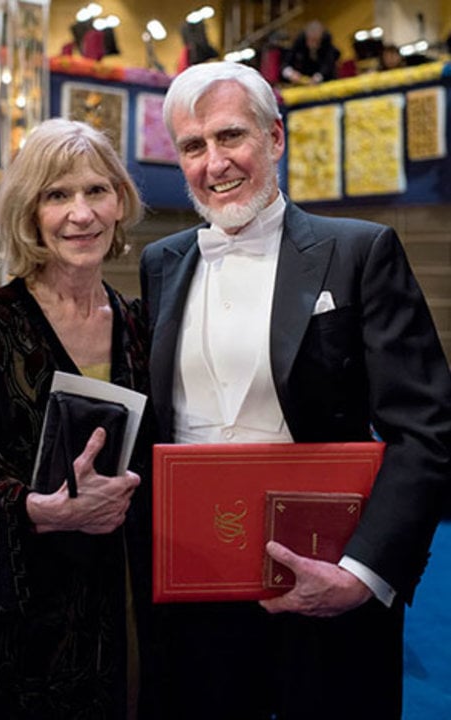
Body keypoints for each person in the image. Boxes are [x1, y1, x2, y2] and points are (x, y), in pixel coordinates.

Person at [139, 61, 451, 720]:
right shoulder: (159, 263)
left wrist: (362, 573)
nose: (214, 162)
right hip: (193, 594)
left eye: (231, 136)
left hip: (328, 583)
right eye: (193, 146)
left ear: (274, 137)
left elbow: (426, 429)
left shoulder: (361, 250)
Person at [0, 118, 151, 719]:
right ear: (31, 213)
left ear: (120, 202)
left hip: (119, 607)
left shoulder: (139, 324)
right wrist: (42, 510)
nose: (81, 213)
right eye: (57, 195)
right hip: (19, 631)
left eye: (96, 190)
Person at [281, 19, 340, 84]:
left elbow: (328, 63)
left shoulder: (327, 43)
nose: (313, 44)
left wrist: (318, 77)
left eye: (316, 41)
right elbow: (285, 63)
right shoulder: (299, 42)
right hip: (303, 78)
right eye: (311, 40)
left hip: (326, 79)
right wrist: (290, 73)